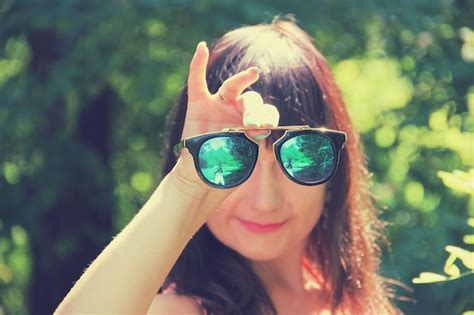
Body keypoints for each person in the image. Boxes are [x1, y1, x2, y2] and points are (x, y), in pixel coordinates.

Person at [55, 15, 401, 314]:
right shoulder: (182, 310)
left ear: (336, 169)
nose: (265, 201)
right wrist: (185, 186)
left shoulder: (358, 301)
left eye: (300, 155)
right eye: (232, 157)